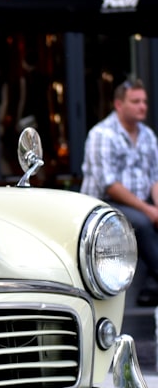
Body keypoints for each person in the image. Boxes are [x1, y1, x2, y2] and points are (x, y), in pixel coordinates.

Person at [80, 78, 158, 305]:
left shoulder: (147, 135)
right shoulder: (102, 134)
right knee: (142, 223)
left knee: (146, 219)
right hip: (104, 205)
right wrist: (150, 211)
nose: (142, 106)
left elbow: (154, 177)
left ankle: (150, 287)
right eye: (135, 101)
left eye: (144, 101)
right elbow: (109, 185)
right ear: (119, 105)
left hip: (141, 203)